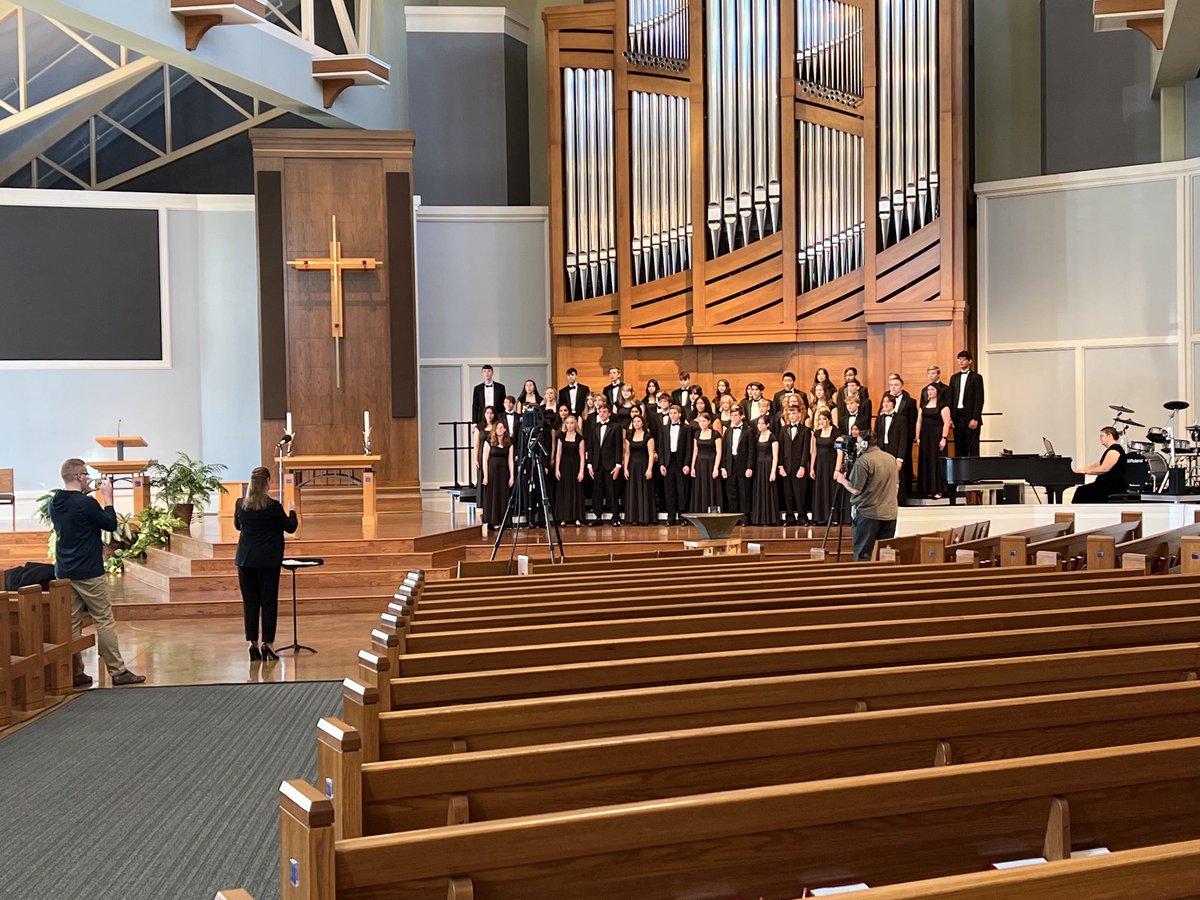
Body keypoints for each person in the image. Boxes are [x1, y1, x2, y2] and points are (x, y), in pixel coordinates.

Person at [50, 460, 145, 687]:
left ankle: (75, 673)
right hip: (88, 570)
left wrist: (87, 492)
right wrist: (108, 498)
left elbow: (76, 516)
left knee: (71, 622)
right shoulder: (87, 503)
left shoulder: (55, 502)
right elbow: (110, 524)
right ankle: (118, 671)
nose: (89, 478)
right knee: (103, 619)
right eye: (86, 474)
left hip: (64, 570)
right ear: (79, 476)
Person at [234, 466, 299, 661]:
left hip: (245, 560)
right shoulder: (273, 506)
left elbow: (238, 526)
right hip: (268, 561)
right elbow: (290, 527)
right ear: (267, 482)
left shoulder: (240, 504)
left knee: (250, 602)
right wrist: (293, 511)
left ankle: (252, 643)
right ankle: (268, 645)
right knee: (268, 602)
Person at [833, 431, 900, 561]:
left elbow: (856, 489)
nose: (856, 446)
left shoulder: (864, 461)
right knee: (884, 557)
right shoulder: (891, 458)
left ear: (864, 444)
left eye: (858, 442)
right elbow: (896, 486)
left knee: (863, 556)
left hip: (868, 514)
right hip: (890, 514)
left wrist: (842, 479)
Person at [587, 403, 624, 525]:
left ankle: (615, 517)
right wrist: (589, 464)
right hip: (596, 463)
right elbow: (590, 446)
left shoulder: (616, 427)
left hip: (611, 464)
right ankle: (597, 517)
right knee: (597, 491)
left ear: (609, 413)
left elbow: (618, 447)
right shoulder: (593, 426)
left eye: (604, 411)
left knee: (612, 490)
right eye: (600, 411)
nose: (602, 413)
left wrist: (618, 465)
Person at [1072, 427, 1128, 503]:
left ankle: (1080, 510)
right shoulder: (1111, 450)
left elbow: (1104, 469)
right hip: (1108, 484)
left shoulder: (1114, 450)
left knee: (1081, 491)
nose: (1100, 439)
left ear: (1110, 435)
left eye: (1102, 436)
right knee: (1082, 490)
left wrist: (1086, 471)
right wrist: (1082, 469)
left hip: (1113, 485)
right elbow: (1098, 464)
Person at [884, 373, 916, 504]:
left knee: (902, 469)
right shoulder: (886, 399)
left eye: (896, 385)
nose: (893, 387)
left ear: (901, 386)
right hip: (889, 440)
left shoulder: (910, 401)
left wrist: (910, 438)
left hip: (904, 439)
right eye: (891, 385)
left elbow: (912, 422)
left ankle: (904, 496)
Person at [659, 404, 693, 525]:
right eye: (671, 413)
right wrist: (662, 463)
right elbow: (661, 447)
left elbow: (689, 448)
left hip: (681, 462)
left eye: (675, 413)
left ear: (680, 414)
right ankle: (671, 517)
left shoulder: (687, 428)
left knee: (682, 490)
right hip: (668, 462)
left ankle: (683, 516)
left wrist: (687, 464)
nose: (672, 415)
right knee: (669, 491)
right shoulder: (664, 428)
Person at [917, 383, 952, 498]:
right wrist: (917, 437)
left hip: (937, 436)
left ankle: (938, 489)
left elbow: (946, 422)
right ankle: (926, 489)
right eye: (928, 390)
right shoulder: (923, 405)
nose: (930, 392)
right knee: (926, 460)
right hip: (925, 436)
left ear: (937, 391)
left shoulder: (943, 406)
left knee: (936, 461)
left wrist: (944, 438)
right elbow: (919, 422)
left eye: (932, 389)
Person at [778, 403, 811, 525]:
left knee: (800, 493)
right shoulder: (783, 430)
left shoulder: (805, 430)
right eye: (790, 413)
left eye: (794, 413)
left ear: (799, 415)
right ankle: (789, 517)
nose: (791, 416)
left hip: (798, 466)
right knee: (788, 494)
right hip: (786, 466)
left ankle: (802, 516)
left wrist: (802, 466)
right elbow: (780, 449)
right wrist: (780, 466)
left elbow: (805, 450)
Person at [948, 350, 984, 456]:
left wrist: (975, 418)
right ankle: (960, 467)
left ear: (970, 361)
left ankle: (973, 467)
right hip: (957, 416)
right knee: (959, 447)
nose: (961, 361)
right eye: (959, 359)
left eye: (963, 359)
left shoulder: (976, 377)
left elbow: (979, 399)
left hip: (970, 417)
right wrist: (950, 418)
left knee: (972, 447)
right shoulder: (954, 378)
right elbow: (950, 399)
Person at [622, 414, 657, 525]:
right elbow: (627, 454)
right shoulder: (629, 437)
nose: (636, 423)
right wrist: (625, 468)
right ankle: (634, 518)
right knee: (633, 491)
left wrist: (649, 469)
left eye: (638, 421)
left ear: (642, 423)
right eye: (634, 421)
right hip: (632, 467)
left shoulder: (648, 437)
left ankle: (645, 517)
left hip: (644, 466)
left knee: (644, 490)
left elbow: (651, 454)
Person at [481, 420, 515, 531]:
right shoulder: (489, 441)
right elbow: (485, 460)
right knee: (494, 496)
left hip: (504, 472)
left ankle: (504, 521)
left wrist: (512, 476)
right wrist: (485, 476)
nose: (499, 430)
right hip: (492, 472)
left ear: (505, 429)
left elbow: (510, 460)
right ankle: (494, 521)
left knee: (503, 496)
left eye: (501, 428)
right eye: (497, 428)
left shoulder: (509, 443)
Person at [810, 410, 842, 525]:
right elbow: (814, 452)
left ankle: (833, 518)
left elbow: (840, 453)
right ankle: (820, 517)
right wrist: (812, 468)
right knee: (820, 489)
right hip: (819, 465)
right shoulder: (816, 433)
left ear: (829, 420)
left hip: (831, 465)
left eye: (824, 419)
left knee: (831, 489)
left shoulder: (836, 433)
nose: (821, 421)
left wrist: (837, 469)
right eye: (820, 419)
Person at [721, 405, 753, 516]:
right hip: (730, 465)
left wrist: (750, 467)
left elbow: (751, 451)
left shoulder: (748, 431)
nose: (734, 418)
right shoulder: (728, 431)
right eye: (732, 415)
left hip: (743, 466)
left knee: (744, 493)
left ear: (741, 416)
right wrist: (723, 467)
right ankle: (733, 517)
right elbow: (725, 450)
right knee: (732, 493)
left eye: (736, 415)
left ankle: (745, 517)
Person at [554, 414, 587, 525]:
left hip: (576, 467)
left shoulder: (580, 438)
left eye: (572, 423)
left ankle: (577, 517)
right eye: (567, 423)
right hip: (564, 467)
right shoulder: (561, 437)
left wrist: (581, 471)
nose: (569, 425)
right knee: (564, 491)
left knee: (576, 491)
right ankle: (564, 517)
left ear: (575, 424)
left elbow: (582, 456)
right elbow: (558, 454)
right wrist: (557, 469)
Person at [748, 415, 780, 526]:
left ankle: (770, 518)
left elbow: (775, 456)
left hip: (768, 466)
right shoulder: (757, 436)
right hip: (759, 467)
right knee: (759, 491)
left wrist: (773, 471)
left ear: (768, 424)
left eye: (762, 423)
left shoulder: (773, 438)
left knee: (768, 492)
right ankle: (759, 518)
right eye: (759, 423)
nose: (760, 426)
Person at [689, 411, 723, 512]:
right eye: (700, 421)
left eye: (704, 421)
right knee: (700, 487)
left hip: (711, 464)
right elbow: (695, 451)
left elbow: (719, 452)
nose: (701, 423)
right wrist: (692, 467)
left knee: (711, 487)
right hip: (699, 464)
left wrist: (716, 468)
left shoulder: (715, 434)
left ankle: (713, 512)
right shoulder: (697, 434)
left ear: (709, 422)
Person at [472, 405, 496, 486]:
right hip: (482, 454)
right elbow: (476, 444)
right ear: (484, 414)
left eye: (491, 413)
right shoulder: (479, 427)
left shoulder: (496, 426)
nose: (489, 415)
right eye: (487, 413)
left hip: (493, 454)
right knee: (482, 477)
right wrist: (475, 459)